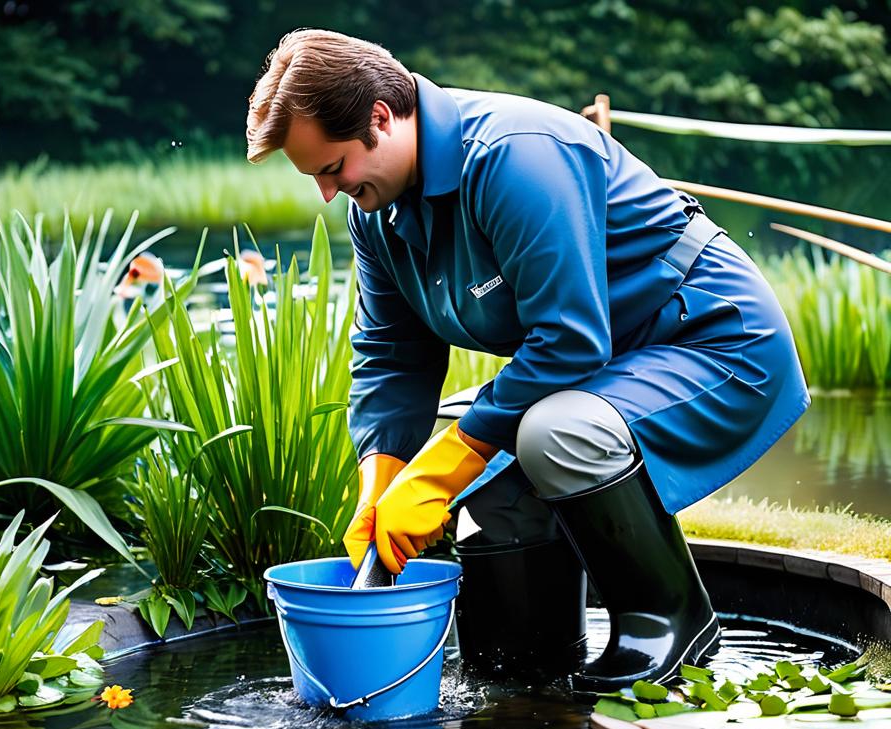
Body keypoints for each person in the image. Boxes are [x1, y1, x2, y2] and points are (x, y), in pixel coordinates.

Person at [245, 29, 810, 692]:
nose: (327, 192)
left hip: (712, 341)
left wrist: (446, 468)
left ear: (379, 118)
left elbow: (569, 339)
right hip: (606, 369)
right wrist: (384, 479)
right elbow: (391, 354)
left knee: (551, 435)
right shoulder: (377, 213)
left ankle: (670, 627)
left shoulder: (515, 156)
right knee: (464, 443)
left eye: (332, 168)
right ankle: (526, 659)